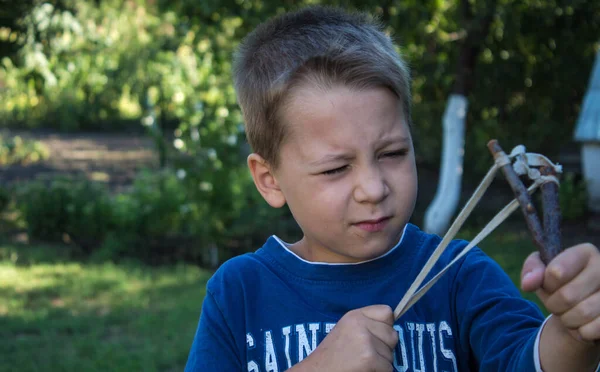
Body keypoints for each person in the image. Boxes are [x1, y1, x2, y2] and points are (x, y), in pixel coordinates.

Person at [185, 6, 600, 371]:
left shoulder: (458, 275)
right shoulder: (239, 293)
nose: (373, 188)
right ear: (269, 180)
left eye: (392, 153)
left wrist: (574, 333)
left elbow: (526, 360)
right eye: (335, 169)